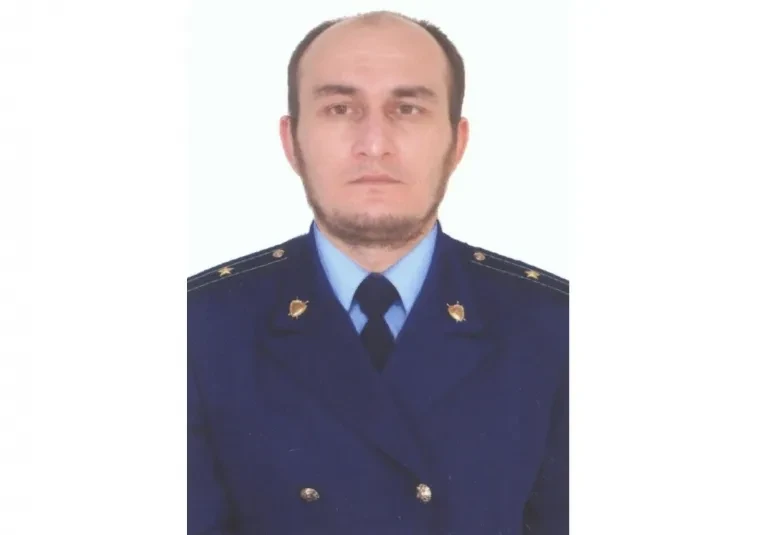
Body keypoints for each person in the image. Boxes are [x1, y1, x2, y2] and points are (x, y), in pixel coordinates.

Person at [188, 10, 568, 535]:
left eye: (407, 109)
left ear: (456, 143)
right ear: (292, 141)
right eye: (339, 108)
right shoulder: (197, 329)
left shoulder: (556, 329)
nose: (373, 143)